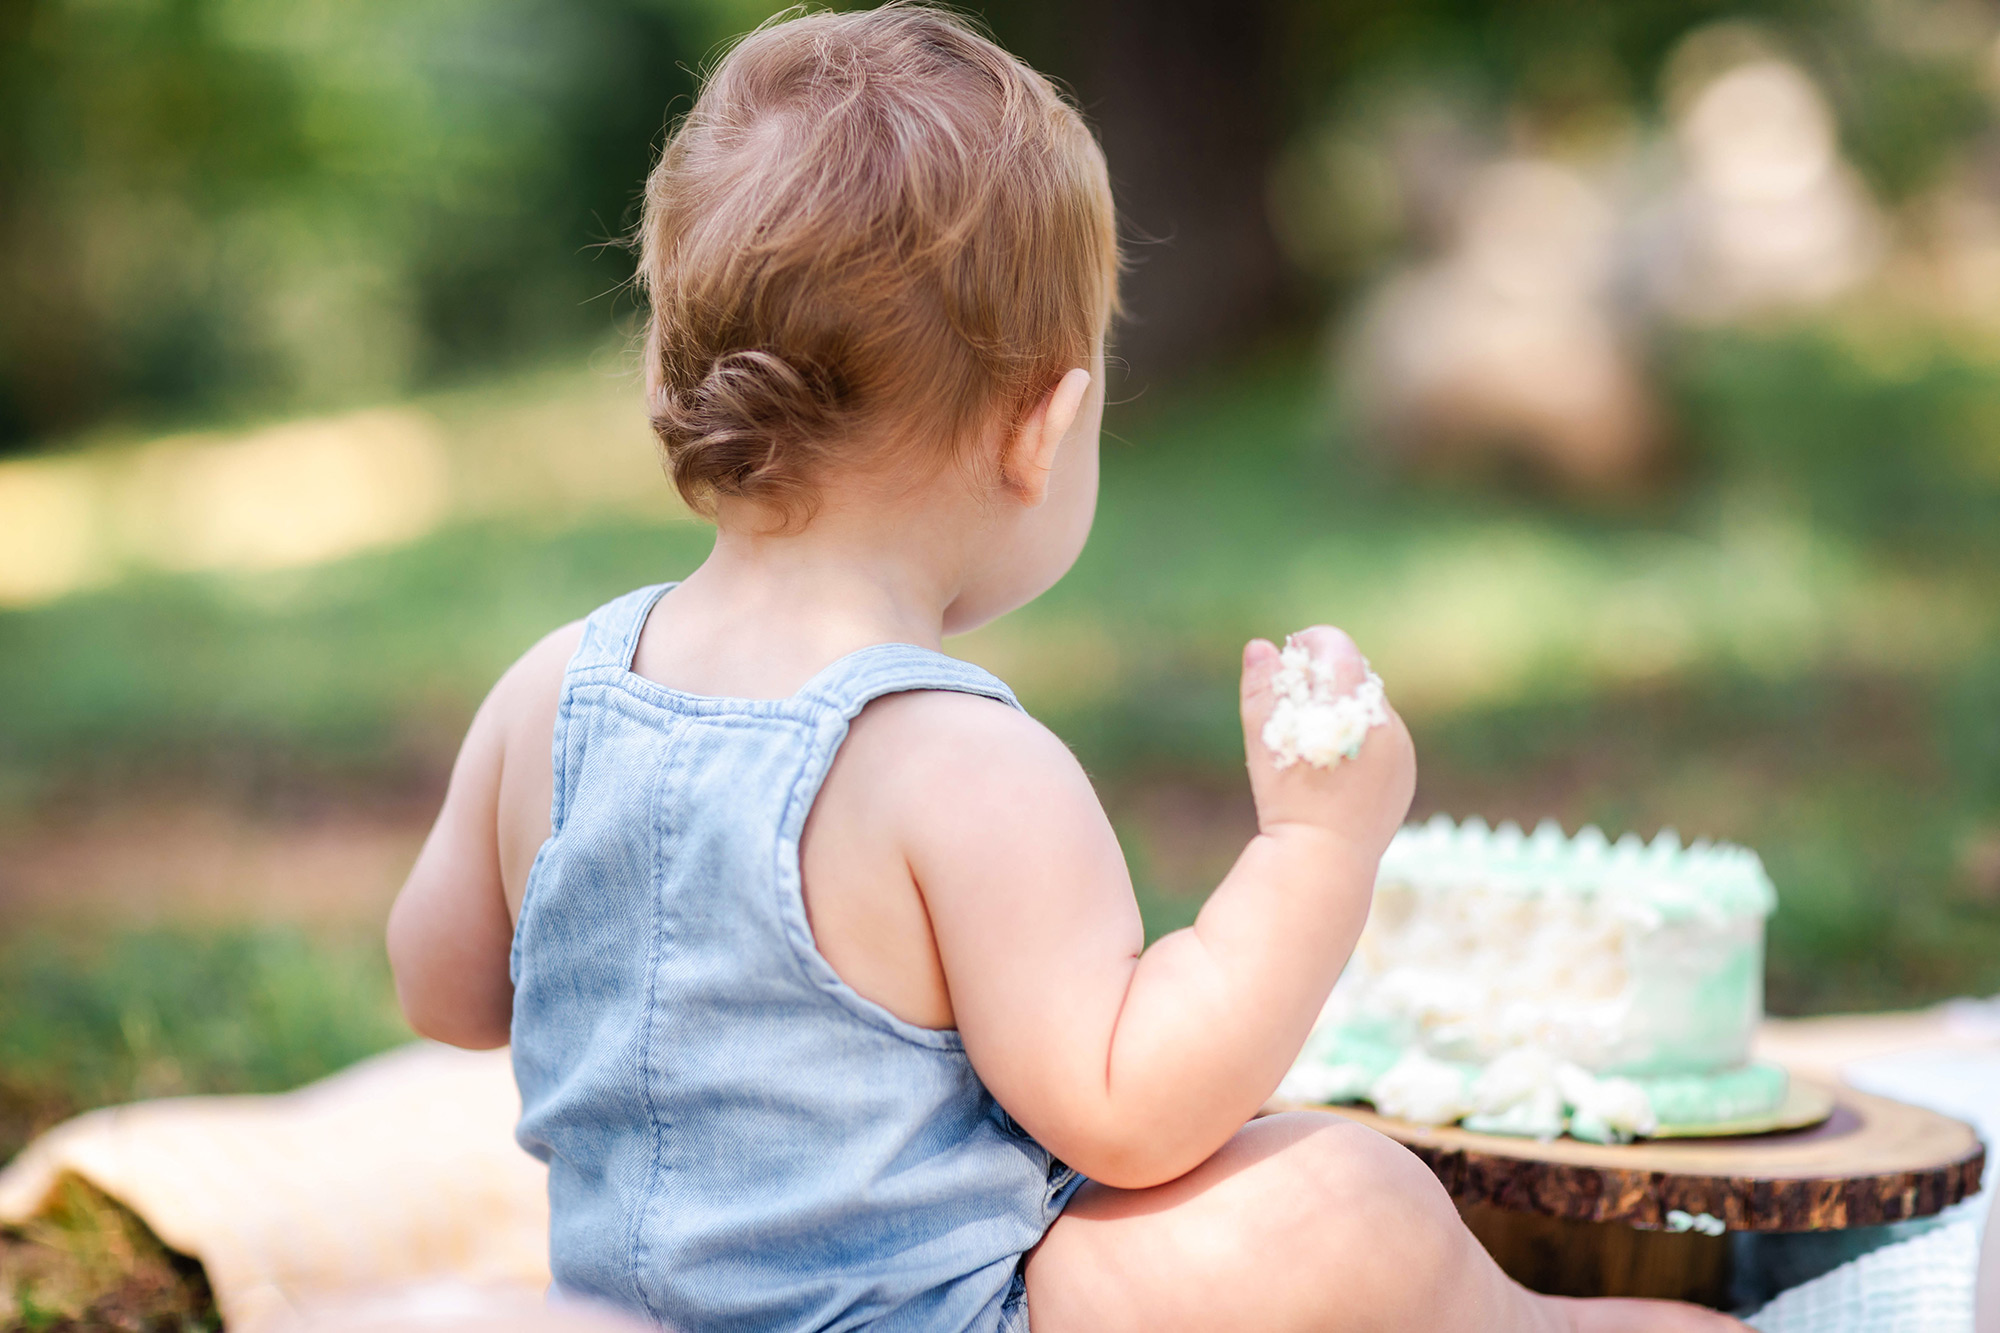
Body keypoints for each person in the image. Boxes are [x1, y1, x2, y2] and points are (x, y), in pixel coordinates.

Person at [386, 7, 1741, 1330]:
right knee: (1335, 1201)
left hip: (611, 1307)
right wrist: (1316, 851)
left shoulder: (554, 686)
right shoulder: (956, 759)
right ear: (1048, 427)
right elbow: (1133, 1107)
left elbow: (444, 987)